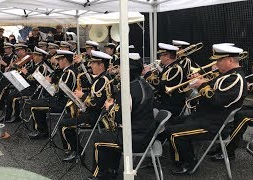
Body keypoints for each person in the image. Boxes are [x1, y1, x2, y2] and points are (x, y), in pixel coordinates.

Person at [165, 44, 248, 175]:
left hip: (213, 123)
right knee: (170, 122)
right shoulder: (226, 75)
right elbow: (213, 89)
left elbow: (217, 100)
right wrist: (200, 80)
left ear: (230, 60)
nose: (216, 63)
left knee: (174, 133)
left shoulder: (235, 79)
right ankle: (185, 156)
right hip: (204, 117)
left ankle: (188, 164)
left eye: (219, 60)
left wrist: (202, 84)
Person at [87, 53, 156, 180]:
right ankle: (112, 170)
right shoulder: (143, 83)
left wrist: (110, 106)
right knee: (110, 135)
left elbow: (119, 118)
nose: (118, 71)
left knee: (99, 140)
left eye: (120, 68)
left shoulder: (127, 90)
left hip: (135, 139)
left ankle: (100, 176)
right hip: (145, 133)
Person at [60, 50, 112, 162]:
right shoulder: (100, 78)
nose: (90, 65)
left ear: (101, 65)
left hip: (95, 117)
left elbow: (96, 104)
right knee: (67, 119)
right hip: (90, 112)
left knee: (64, 125)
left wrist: (83, 96)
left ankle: (78, 153)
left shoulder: (103, 81)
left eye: (93, 63)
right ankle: (72, 149)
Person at [27, 50, 77, 139]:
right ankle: (41, 130)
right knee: (34, 103)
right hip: (58, 99)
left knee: (34, 106)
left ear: (64, 60)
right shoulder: (66, 71)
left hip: (62, 102)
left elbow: (62, 91)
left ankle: (42, 132)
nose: (58, 62)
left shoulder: (69, 72)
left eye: (59, 59)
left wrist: (49, 83)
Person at [143, 43, 186, 117]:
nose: (160, 58)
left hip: (171, 104)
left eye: (161, 55)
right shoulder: (169, 67)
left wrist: (148, 74)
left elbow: (163, 87)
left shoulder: (176, 69)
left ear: (167, 56)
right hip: (164, 101)